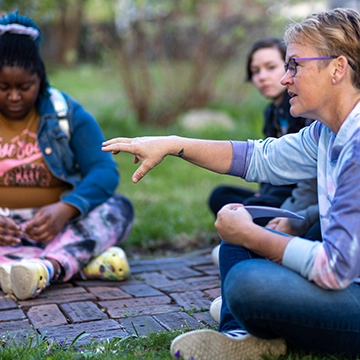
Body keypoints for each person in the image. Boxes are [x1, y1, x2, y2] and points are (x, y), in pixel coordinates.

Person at [102, 7, 360, 359]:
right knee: (237, 233)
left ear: (338, 68)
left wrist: (253, 236)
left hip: (349, 287)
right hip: (346, 274)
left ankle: (255, 319)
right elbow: (259, 157)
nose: (285, 79)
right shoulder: (329, 132)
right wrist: (174, 144)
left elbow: (336, 268)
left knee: (245, 280)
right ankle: (241, 335)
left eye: (294, 65)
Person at [0, 12, 134, 301]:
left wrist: (67, 209)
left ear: (41, 79)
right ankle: (78, 262)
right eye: (3, 87)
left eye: (25, 87)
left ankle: (42, 268)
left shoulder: (64, 111)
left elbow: (103, 169)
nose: (14, 97)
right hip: (5, 229)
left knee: (118, 208)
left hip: (57, 225)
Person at [208, 36, 313, 226]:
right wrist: (263, 193)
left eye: (270, 67)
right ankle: (256, 224)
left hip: (298, 196)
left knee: (245, 210)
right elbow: (267, 157)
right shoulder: (271, 113)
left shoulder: (304, 110)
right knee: (221, 196)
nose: (262, 77)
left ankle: (263, 230)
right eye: (255, 71)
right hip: (274, 191)